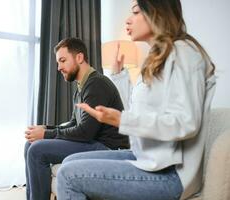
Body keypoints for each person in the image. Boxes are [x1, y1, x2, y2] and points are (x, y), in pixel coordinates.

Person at [56, 1, 216, 200]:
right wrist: (118, 74)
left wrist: (122, 121)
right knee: (70, 161)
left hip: (171, 175)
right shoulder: (156, 59)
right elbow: (138, 110)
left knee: (68, 176)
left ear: (156, 12)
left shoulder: (184, 52)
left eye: (136, 12)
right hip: (147, 159)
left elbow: (186, 122)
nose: (128, 19)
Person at [24, 38, 129, 200]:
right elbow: (75, 123)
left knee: (37, 151)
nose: (59, 67)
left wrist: (45, 135)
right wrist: (45, 128)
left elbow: (85, 132)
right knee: (30, 144)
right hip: (93, 142)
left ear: (79, 58)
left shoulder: (96, 84)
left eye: (63, 61)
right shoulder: (81, 88)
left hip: (107, 148)